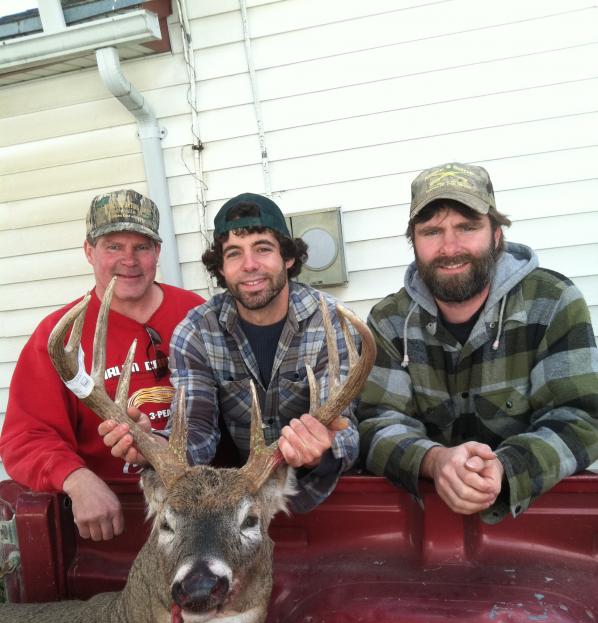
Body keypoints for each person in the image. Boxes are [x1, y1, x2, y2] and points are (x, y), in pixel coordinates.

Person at [357, 162, 598, 523]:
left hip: (532, 516)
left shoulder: (552, 301)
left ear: (496, 235)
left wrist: (505, 468)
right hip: (424, 517)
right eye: (432, 231)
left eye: (467, 227)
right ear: (414, 242)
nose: (450, 247)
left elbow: (581, 417)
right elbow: (375, 422)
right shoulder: (389, 321)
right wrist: (434, 460)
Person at [100, 192, 360, 513]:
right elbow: (197, 432)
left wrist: (322, 448)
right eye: (234, 254)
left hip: (323, 497)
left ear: (288, 258)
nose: (249, 265)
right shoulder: (197, 332)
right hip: (240, 507)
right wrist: (155, 446)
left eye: (263, 249)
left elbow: (346, 431)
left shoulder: (333, 323)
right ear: (221, 268)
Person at [0, 189, 202, 541]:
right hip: (114, 517)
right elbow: (25, 437)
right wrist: (76, 479)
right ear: (89, 251)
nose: (129, 260)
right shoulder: (60, 335)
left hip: (200, 507)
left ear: (157, 252)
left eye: (141, 246)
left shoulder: (197, 315)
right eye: (113, 246)